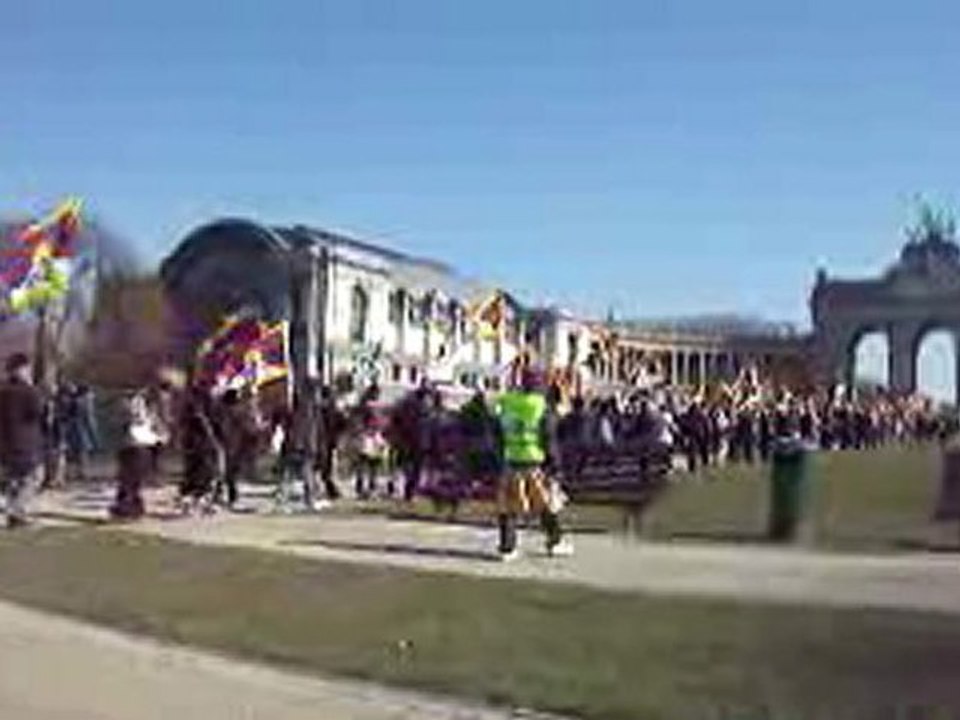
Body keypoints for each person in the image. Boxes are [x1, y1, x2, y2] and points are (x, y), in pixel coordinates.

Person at [494, 367, 572, 561]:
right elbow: (549, 438)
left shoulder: (508, 402)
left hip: (511, 458)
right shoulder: (541, 406)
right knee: (544, 503)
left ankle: (507, 547)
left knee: (508, 505)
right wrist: (555, 467)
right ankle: (555, 541)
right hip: (534, 461)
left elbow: (497, 430)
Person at [0, 353, 45, 529]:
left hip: (5, 443)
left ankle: (13, 511)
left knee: (14, 480)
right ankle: (18, 513)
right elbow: (38, 412)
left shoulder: (2, 390)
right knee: (34, 476)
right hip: (24, 442)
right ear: (22, 369)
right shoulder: (27, 391)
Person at [110, 391, 162, 520]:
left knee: (130, 480)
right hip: (135, 447)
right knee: (129, 481)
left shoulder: (143, 414)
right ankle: (129, 506)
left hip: (136, 447)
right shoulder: (144, 415)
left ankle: (130, 507)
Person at [178, 386, 224, 515]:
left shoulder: (193, 408)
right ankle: (201, 500)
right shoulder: (202, 409)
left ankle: (194, 499)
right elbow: (213, 426)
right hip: (202, 444)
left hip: (195, 443)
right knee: (204, 472)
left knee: (195, 471)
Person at [314, 385, 345, 502]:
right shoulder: (333, 408)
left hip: (320, 439)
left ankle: (325, 489)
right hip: (329, 440)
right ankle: (329, 490)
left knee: (321, 466)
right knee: (326, 467)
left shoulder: (318, 409)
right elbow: (342, 422)